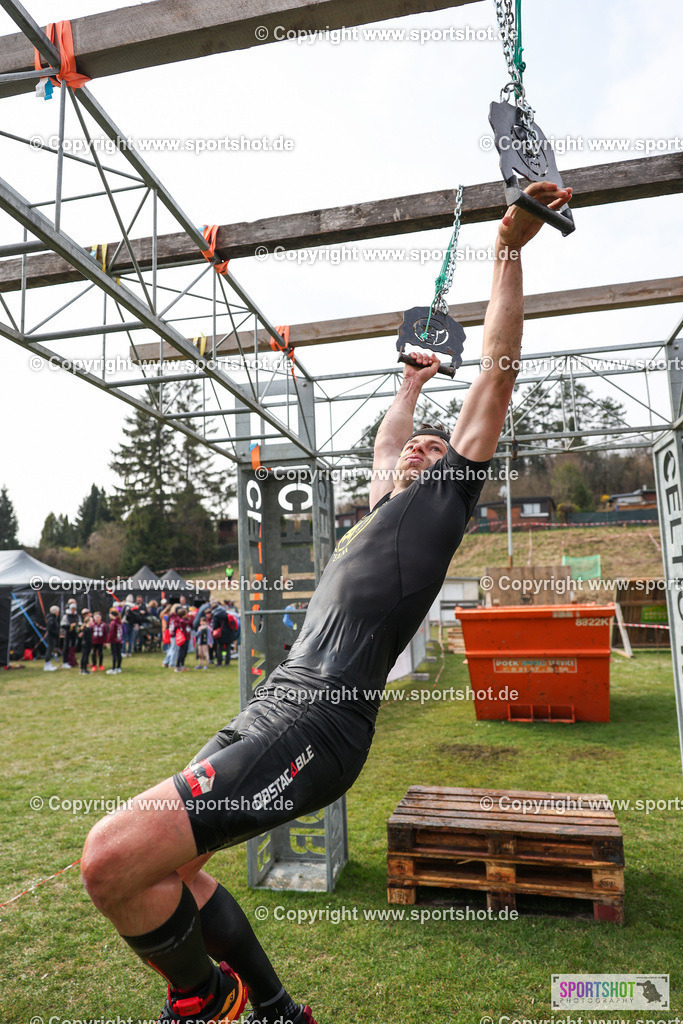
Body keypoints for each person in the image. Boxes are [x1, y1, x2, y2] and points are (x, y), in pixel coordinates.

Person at [80, 183, 570, 1024]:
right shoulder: (386, 505)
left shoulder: (444, 498)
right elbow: (386, 443)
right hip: (278, 706)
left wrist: (507, 247)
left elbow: (495, 374)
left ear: (452, 464)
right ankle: (274, 1010)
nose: (419, 443)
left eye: (434, 441)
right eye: (415, 441)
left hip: (319, 723)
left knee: (109, 858)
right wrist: (412, 386)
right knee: (172, 875)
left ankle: (206, 999)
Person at [60, 599, 80, 669]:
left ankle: (72, 661)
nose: (73, 610)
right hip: (67, 634)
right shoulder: (66, 616)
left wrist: (77, 627)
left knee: (73, 647)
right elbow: (62, 625)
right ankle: (65, 661)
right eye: (72, 609)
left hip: (74, 634)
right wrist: (70, 626)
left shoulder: (77, 616)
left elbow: (79, 623)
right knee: (66, 647)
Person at [174, 607, 192, 673]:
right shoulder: (180, 620)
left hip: (187, 637)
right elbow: (187, 623)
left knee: (185, 652)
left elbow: (191, 624)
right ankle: (177, 665)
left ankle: (182, 665)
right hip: (183, 638)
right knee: (181, 652)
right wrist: (190, 617)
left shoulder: (185, 619)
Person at [43, 605, 60, 672]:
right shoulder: (51, 619)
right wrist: (56, 633)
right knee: (49, 650)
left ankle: (49, 664)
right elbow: (49, 629)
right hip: (51, 637)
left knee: (51, 650)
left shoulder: (54, 618)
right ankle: (47, 665)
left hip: (53, 637)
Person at [106, 609, 123, 675]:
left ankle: (113, 668)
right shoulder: (119, 622)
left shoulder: (113, 623)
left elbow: (111, 633)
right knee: (119, 654)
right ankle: (118, 667)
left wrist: (108, 641)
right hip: (119, 640)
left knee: (114, 654)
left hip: (114, 641)